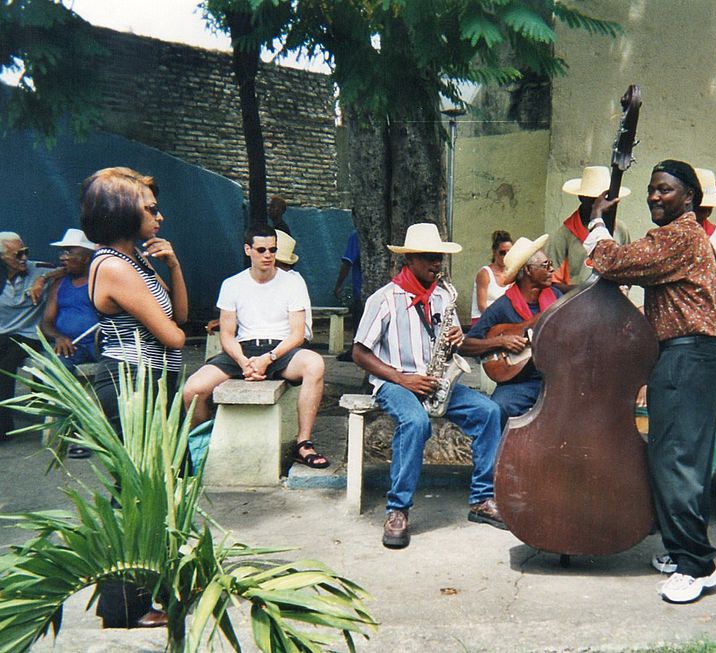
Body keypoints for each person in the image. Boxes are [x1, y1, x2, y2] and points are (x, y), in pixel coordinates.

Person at [584, 159, 716, 605]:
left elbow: (615, 262)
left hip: (688, 354)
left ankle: (696, 567)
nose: (653, 196)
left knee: (677, 460)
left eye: (664, 190)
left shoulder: (680, 236)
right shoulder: (687, 235)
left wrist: (596, 223)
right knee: (677, 456)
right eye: (651, 189)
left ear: (689, 197)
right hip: (688, 355)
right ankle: (683, 549)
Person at [81, 166, 189, 629]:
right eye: (149, 209)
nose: (159, 217)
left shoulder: (138, 263)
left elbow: (182, 313)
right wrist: (175, 326)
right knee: (136, 496)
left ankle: (157, 588)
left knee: (162, 489)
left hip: (152, 386)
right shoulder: (114, 267)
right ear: (124, 213)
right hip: (131, 387)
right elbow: (175, 335)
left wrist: (174, 266)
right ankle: (124, 606)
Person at [352, 223, 505, 549]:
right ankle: (397, 510)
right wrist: (401, 378)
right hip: (397, 382)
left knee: (489, 411)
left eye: (439, 258)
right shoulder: (385, 299)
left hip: (436, 381)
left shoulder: (442, 296)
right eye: (429, 258)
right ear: (410, 259)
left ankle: (481, 499)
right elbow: (359, 352)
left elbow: (451, 349)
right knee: (415, 421)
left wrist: (457, 340)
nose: (437, 264)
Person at [183, 227, 328, 469]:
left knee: (314, 364)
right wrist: (242, 361)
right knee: (192, 389)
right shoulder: (232, 284)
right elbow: (227, 336)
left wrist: (268, 358)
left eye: (272, 249)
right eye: (261, 250)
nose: (268, 255)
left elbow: (297, 334)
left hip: (281, 349)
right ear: (248, 250)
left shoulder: (292, 283)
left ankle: (303, 443)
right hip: (243, 349)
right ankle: (199, 448)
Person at [461, 235, 562, 425]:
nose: (552, 270)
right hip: (520, 383)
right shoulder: (502, 307)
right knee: (498, 408)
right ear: (528, 270)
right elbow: (465, 345)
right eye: (546, 265)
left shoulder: (557, 297)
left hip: (556, 378)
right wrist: (500, 341)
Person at [0, 232, 57, 449]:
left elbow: (73, 268)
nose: (24, 258)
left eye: (26, 252)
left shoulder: (39, 269)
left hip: (29, 335)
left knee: (4, 368)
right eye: (18, 255)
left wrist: (43, 279)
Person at [546, 165, 632, 289]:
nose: (599, 205)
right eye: (593, 199)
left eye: (604, 199)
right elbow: (551, 282)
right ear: (581, 197)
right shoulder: (564, 234)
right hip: (577, 304)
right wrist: (585, 293)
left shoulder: (620, 229)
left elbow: (628, 271)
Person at [41, 229, 100, 371]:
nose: (62, 257)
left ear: (85, 258)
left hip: (100, 346)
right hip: (71, 347)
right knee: (56, 368)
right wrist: (59, 337)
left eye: (68, 252)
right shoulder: (59, 284)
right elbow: (46, 322)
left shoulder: (100, 281)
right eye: (62, 252)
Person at [470, 230, 514, 325]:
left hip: (503, 322)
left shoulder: (512, 274)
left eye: (509, 252)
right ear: (494, 252)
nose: (505, 256)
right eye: (502, 253)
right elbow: (482, 306)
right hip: (482, 320)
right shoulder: (485, 273)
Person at [334, 230, 362, 361]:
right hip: (363, 289)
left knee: (359, 320)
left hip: (361, 289)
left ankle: (356, 352)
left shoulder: (357, 236)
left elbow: (347, 262)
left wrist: (338, 285)